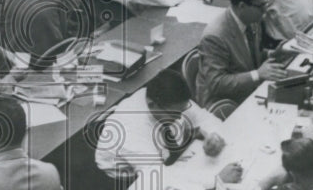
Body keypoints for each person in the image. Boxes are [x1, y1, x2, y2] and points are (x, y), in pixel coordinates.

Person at [96, 69, 231, 180]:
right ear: (152, 105)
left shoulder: (168, 98)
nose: (179, 118)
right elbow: (158, 178)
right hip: (126, 180)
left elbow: (204, 119)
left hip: (163, 159)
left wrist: (214, 135)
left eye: (182, 111)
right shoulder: (131, 128)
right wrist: (214, 178)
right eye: (173, 114)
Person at [196, 0, 287, 107]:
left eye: (265, 4)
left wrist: (272, 54)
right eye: (261, 6)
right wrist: (258, 74)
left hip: (246, 90)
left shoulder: (252, 20)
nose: (264, 11)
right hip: (222, 103)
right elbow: (216, 83)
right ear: (242, 6)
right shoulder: (215, 36)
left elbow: (249, 56)